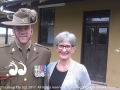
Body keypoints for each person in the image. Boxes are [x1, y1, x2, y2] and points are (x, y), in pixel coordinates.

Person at [0, 8, 51, 90]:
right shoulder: (1, 53)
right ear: (13, 32)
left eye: (26, 28)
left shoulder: (44, 53)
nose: (22, 32)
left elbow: (46, 83)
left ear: (32, 31)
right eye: (18, 28)